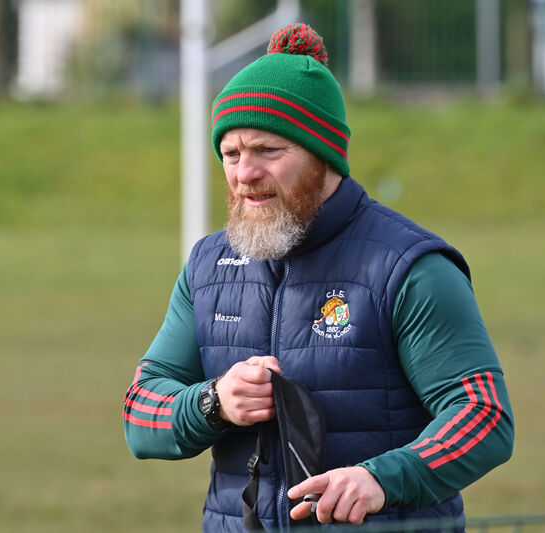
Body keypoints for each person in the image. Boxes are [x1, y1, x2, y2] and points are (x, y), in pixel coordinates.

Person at [123, 23, 514, 531]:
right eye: (232, 154)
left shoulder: (409, 267)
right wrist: (212, 402)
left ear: (322, 156)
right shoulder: (208, 265)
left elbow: (483, 416)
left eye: (268, 151)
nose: (244, 173)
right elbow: (140, 413)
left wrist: (382, 479)